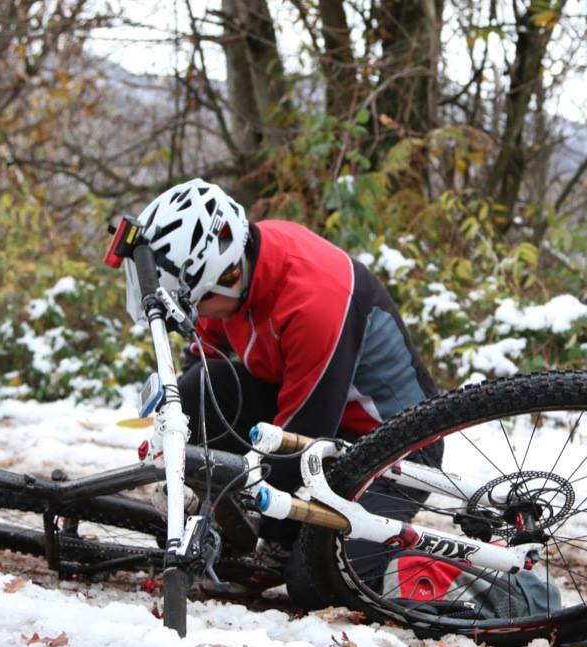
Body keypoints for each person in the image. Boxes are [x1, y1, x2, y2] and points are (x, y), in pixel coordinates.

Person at [119, 178, 443, 607]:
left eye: (200, 303)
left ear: (229, 277)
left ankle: (469, 583)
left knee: (314, 583)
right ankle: (256, 534)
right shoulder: (238, 265)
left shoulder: (313, 302)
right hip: (324, 426)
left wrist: (267, 530)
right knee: (196, 392)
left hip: (392, 448)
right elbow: (203, 361)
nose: (197, 315)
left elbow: (300, 441)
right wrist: (198, 468)